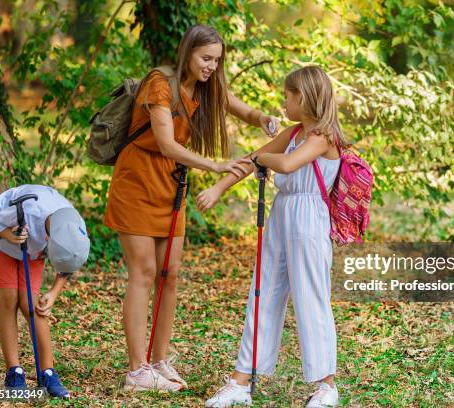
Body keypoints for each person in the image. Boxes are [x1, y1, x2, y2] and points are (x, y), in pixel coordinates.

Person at [103, 24, 279, 392]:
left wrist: (262, 118)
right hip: (137, 180)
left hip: (171, 185)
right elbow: (165, 143)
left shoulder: (206, 86)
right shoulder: (160, 84)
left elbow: (241, 109)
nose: (212, 66)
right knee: (145, 272)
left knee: (170, 273)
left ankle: (159, 360)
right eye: (205, 58)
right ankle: (137, 370)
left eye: (217, 60)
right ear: (188, 53)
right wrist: (214, 165)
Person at [198, 66, 342, 407]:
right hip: (282, 214)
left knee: (311, 298)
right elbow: (253, 161)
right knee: (263, 294)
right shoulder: (293, 134)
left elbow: (288, 165)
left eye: (287, 95)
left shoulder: (323, 136)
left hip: (309, 218)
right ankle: (241, 381)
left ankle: (326, 386)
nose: (283, 101)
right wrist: (219, 187)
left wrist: (263, 157)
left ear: (303, 97)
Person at [0, 184, 90, 398]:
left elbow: (68, 263)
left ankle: (48, 372)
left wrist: (53, 293)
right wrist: (9, 235)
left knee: (32, 305)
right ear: (49, 240)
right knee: (9, 299)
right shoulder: (29, 209)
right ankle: (14, 372)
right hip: (2, 239)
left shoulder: (73, 226)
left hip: (31, 251)